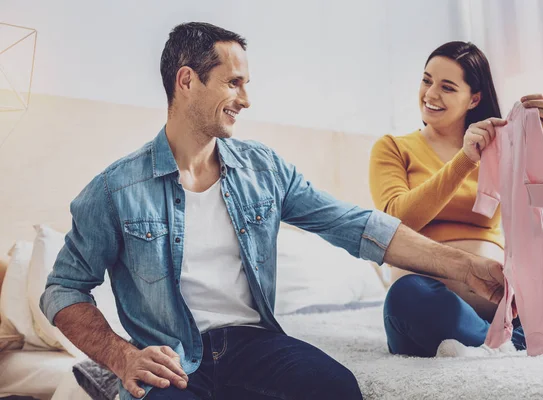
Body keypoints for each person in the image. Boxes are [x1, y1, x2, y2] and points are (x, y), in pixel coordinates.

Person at [41, 25, 504, 400]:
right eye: (233, 83)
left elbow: (357, 226)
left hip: (254, 345)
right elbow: (63, 288)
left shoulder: (262, 169)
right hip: (173, 361)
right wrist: (122, 357)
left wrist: (464, 266)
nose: (245, 99)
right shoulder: (116, 189)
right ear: (187, 82)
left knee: (338, 389)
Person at [369, 41, 543, 358]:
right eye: (426, 80)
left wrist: (539, 143)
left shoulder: (497, 150)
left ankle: (508, 345)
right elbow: (396, 219)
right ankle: (503, 344)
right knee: (407, 296)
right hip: (431, 305)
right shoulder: (394, 147)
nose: (430, 94)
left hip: (506, 307)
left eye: (447, 87)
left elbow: (531, 206)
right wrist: (464, 160)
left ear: (474, 98)